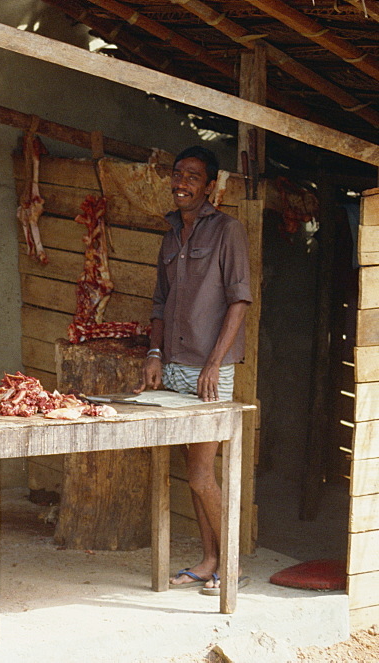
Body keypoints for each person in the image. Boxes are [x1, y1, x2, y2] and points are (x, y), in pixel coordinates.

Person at [136, 146, 252, 594]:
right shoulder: (170, 235)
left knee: (203, 474)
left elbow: (239, 301)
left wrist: (215, 363)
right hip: (176, 369)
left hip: (209, 371)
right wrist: (153, 353)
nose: (181, 181)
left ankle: (233, 564)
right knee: (194, 474)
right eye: (178, 173)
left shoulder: (228, 230)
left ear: (209, 186)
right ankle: (209, 560)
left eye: (193, 176)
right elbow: (161, 302)